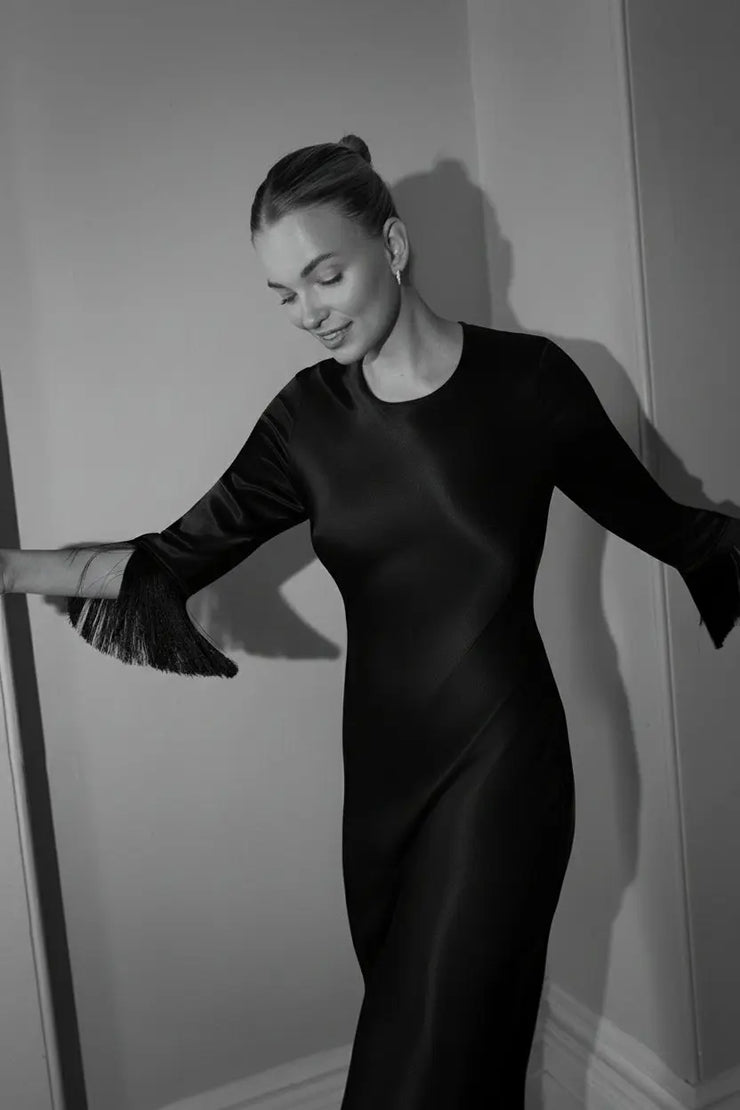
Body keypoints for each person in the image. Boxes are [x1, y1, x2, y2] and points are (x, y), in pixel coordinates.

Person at [2, 133, 739, 1108]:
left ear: (389, 245)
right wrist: (10, 566)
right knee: (452, 1060)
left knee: (414, 1076)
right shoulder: (303, 423)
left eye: (323, 275)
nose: (306, 312)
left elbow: (670, 525)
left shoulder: (531, 384)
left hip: (502, 775)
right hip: (383, 787)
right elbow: (166, 559)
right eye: (284, 293)